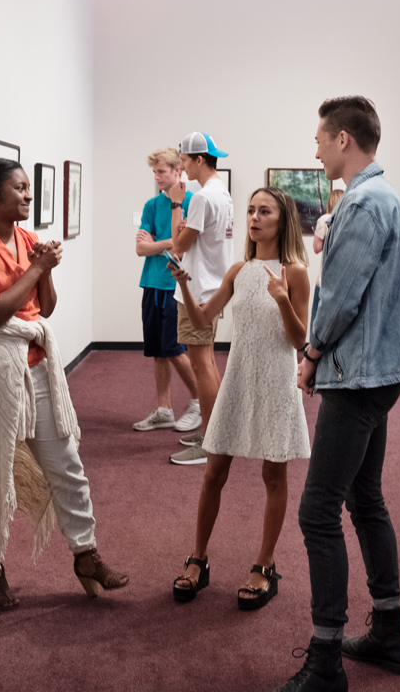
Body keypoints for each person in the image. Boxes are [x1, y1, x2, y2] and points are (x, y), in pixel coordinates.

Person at [276, 97, 400, 692]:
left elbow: (338, 300)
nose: (314, 150)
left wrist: (310, 355)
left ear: (344, 139)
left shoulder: (364, 203)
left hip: (358, 374)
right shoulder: (378, 199)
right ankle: (390, 632)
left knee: (318, 512)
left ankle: (326, 660)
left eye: (319, 139)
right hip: (382, 373)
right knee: (365, 500)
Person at [0, 158, 128, 610]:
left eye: (28, 188)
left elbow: (46, 309)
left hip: (37, 368)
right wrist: (38, 270)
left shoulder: (28, 240)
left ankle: (86, 555)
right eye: (19, 188)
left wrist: (47, 269)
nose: (28, 195)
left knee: (68, 466)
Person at [169, 186, 311, 610]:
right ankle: (199, 559)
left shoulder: (296, 271)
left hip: (276, 381)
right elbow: (202, 321)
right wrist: (186, 289)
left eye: (264, 211)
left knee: (273, 477)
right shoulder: (238, 270)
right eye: (250, 210)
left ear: (281, 220)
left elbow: (300, 339)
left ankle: (264, 565)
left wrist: (284, 301)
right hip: (238, 379)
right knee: (214, 473)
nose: (253, 217)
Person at [165, 131, 234, 466]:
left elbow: (178, 245)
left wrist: (177, 203)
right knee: (206, 362)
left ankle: (210, 441)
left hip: (199, 291)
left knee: (202, 365)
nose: (182, 167)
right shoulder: (222, 194)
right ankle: (214, 429)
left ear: (200, 160)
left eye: (185, 160)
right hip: (212, 288)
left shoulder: (202, 198)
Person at [132, 147, 201, 433]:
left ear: (178, 170)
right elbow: (140, 248)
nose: (157, 177)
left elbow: (184, 246)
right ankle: (164, 410)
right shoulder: (151, 205)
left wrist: (158, 243)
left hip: (177, 286)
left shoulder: (193, 201)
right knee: (158, 351)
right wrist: (167, 243)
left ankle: (200, 402)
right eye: (155, 172)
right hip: (151, 283)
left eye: (162, 171)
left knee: (174, 348)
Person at [310, 189, 345, 324]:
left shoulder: (325, 220)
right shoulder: (348, 219)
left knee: (317, 320)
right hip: (342, 280)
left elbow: (316, 248)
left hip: (324, 279)